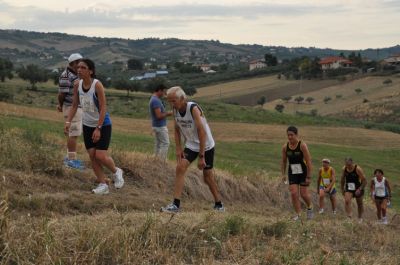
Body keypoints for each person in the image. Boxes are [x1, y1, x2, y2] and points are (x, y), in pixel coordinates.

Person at [64, 58, 124, 194]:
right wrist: (68, 121)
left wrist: (99, 128)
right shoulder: (77, 85)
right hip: (87, 124)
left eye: (83, 68)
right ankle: (103, 185)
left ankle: (116, 171)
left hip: (103, 124)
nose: (79, 70)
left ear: (91, 71)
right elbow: (74, 105)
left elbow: (103, 107)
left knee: (100, 156)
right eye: (78, 67)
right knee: (92, 155)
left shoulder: (97, 85)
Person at [160, 86, 224, 213]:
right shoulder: (175, 110)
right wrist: (178, 148)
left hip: (205, 145)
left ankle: (219, 204)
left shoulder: (193, 108)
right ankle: (175, 205)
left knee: (207, 177)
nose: (172, 104)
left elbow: (202, 132)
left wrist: (201, 156)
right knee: (180, 168)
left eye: (174, 101)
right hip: (191, 144)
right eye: (169, 101)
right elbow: (177, 129)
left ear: (183, 98)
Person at [281, 126, 313, 220]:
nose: (290, 137)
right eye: (288, 135)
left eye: (292, 135)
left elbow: (309, 161)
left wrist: (309, 176)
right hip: (293, 172)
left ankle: (310, 207)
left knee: (303, 194)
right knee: (294, 193)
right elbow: (283, 161)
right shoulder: (285, 147)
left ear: (296, 135)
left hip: (303, 172)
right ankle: (299, 215)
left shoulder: (302, 145)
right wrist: (283, 174)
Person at [58, 53, 83, 169]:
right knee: (73, 133)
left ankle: (70, 158)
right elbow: (62, 93)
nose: (80, 65)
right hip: (71, 107)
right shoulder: (66, 75)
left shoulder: (76, 74)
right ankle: (71, 161)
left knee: (73, 133)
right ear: (72, 63)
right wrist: (60, 104)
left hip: (76, 107)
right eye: (78, 62)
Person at [149, 84, 172, 160]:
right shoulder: (156, 101)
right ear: (159, 90)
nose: (164, 94)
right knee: (165, 143)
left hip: (156, 125)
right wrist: (169, 113)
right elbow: (159, 116)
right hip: (160, 126)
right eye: (164, 92)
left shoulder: (154, 99)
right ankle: (161, 161)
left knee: (158, 144)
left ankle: (156, 159)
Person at [340, 158, 367, 222]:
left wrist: (360, 189)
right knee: (347, 201)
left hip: (358, 187)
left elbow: (365, 181)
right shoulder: (344, 169)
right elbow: (342, 179)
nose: (348, 167)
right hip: (349, 187)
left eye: (349, 165)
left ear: (352, 163)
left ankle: (360, 217)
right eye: (347, 165)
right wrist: (342, 188)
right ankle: (349, 216)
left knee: (359, 203)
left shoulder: (358, 169)